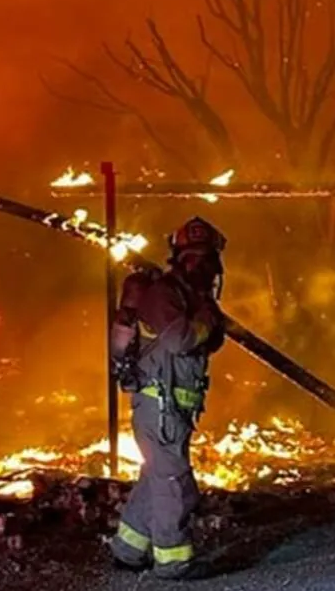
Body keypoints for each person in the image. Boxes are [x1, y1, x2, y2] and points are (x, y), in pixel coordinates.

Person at [109, 216, 227, 580]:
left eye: (205, 258)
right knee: (174, 482)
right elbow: (181, 341)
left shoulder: (191, 298)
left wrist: (207, 315)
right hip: (158, 406)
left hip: (172, 408)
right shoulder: (164, 295)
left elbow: (211, 342)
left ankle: (128, 550)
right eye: (192, 258)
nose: (201, 266)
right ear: (178, 258)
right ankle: (173, 562)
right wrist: (207, 317)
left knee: (157, 477)